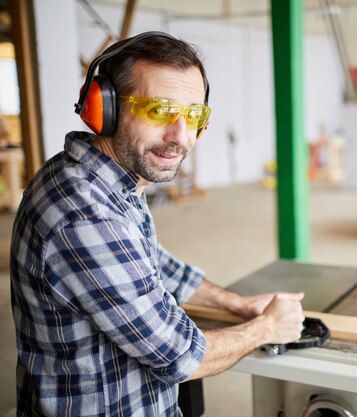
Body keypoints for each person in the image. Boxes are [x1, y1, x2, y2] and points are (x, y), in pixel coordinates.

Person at [10, 32, 305, 416]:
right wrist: (268, 328)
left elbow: (151, 264)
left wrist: (238, 303)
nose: (180, 137)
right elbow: (182, 358)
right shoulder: (83, 212)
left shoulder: (105, 179)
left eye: (193, 115)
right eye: (159, 111)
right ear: (105, 109)